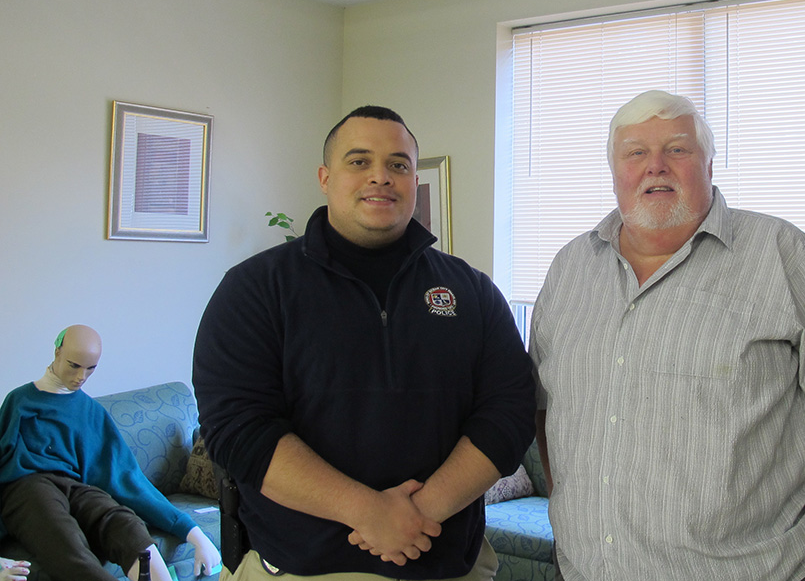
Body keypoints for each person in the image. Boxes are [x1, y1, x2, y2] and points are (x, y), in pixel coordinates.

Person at [530, 90, 805, 580]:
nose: (656, 166)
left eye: (677, 149)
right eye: (636, 153)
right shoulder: (568, 270)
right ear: (614, 170)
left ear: (710, 164)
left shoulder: (783, 254)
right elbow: (549, 412)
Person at [193, 105, 535, 580]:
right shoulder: (255, 288)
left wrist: (420, 513)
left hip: (450, 566)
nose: (381, 177)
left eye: (398, 164)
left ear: (414, 180)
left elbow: (510, 413)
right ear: (325, 177)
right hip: (302, 570)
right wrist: (366, 512)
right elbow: (238, 430)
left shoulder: (470, 290)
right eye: (359, 162)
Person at [0, 325, 221, 581]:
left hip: (74, 486)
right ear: (57, 352)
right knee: (64, 538)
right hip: (26, 488)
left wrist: (194, 533)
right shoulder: (19, 402)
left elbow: (128, 479)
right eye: (74, 365)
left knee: (122, 521)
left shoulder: (90, 411)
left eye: (90, 368)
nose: (81, 376)